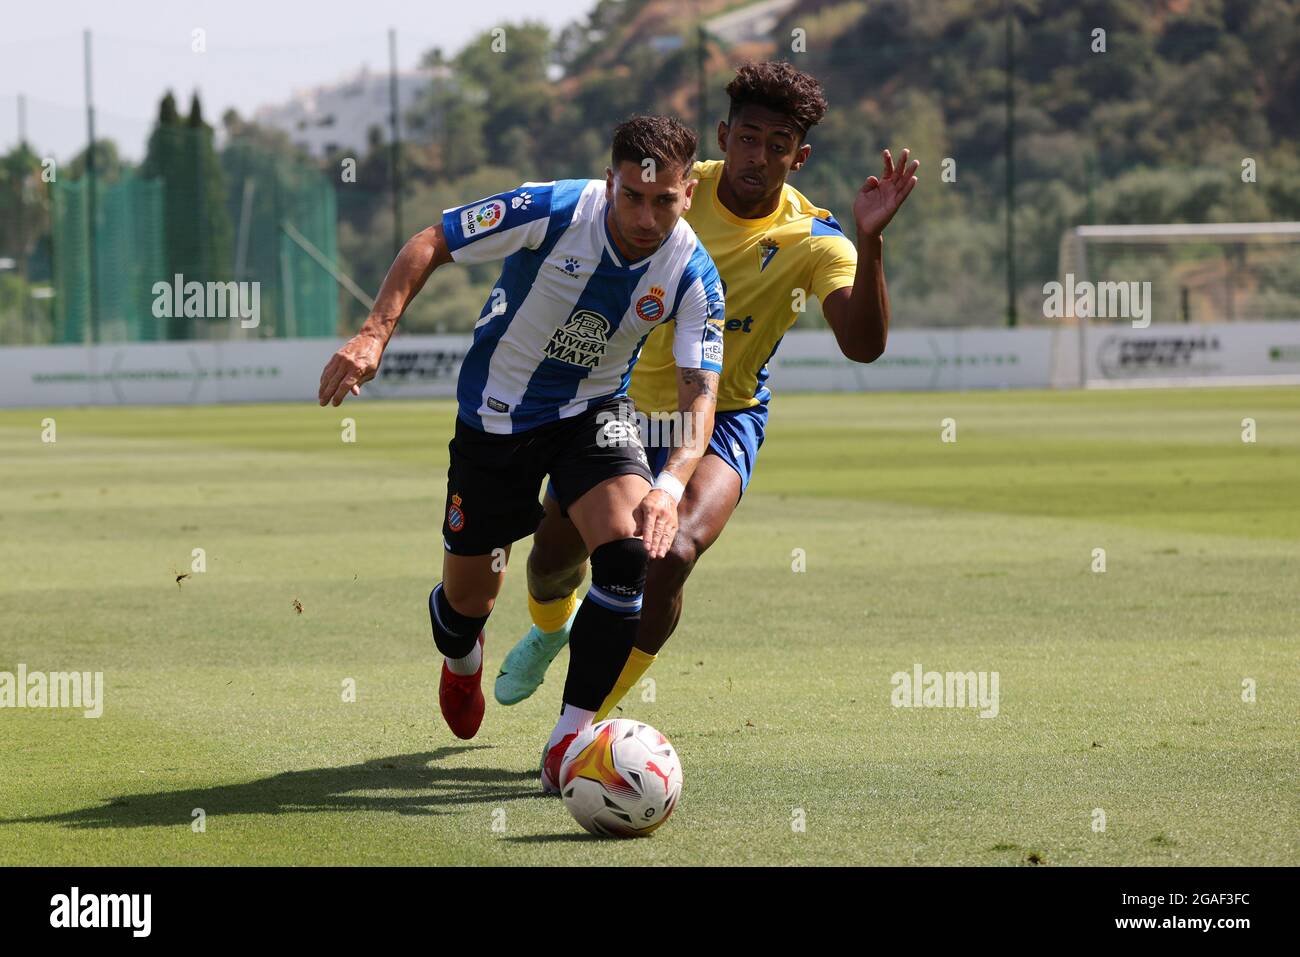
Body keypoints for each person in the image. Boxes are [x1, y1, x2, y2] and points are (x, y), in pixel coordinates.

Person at [496, 61, 918, 734]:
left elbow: (863, 345)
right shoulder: (671, 192)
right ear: (725, 134)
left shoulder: (815, 240)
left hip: (724, 414)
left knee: (670, 552)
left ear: (799, 156)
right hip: (618, 408)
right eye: (748, 138)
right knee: (552, 560)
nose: (759, 156)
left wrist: (871, 243)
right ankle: (553, 629)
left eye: (779, 145)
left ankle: (581, 725)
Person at [317, 115, 724, 792]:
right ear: (609, 183)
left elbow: (698, 397)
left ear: (686, 194)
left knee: (627, 554)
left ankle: (569, 742)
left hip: (593, 414)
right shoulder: (554, 207)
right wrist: (372, 335)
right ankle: (462, 652)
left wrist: (670, 483)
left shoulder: (693, 273)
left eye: (664, 200)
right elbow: (432, 241)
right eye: (632, 196)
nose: (647, 216)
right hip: (494, 419)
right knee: (466, 601)